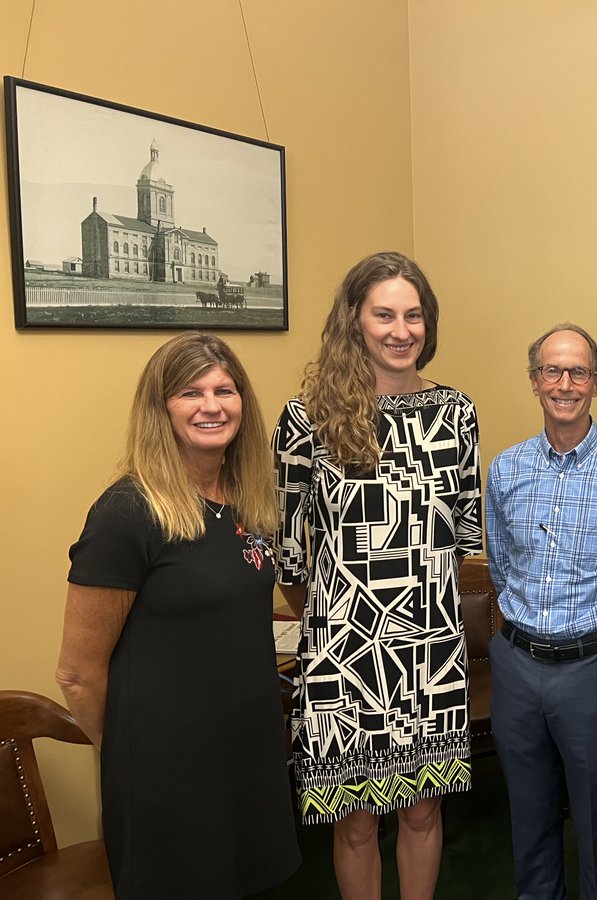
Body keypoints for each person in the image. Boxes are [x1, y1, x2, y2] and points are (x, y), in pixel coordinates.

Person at [56, 331, 300, 898]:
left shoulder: (249, 498)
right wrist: (134, 758)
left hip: (247, 755)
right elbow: (76, 673)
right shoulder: (128, 512)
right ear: (159, 408)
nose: (211, 406)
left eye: (225, 390)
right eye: (190, 392)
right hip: (167, 775)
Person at [273, 251, 481, 900]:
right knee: (356, 822)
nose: (400, 330)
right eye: (384, 314)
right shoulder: (306, 419)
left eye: (413, 315)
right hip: (344, 656)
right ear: (354, 321)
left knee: (423, 810)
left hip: (429, 650)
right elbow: (289, 558)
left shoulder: (457, 416)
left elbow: (465, 541)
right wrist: (341, 616)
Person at [485, 323, 597, 900]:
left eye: (578, 372)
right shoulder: (505, 470)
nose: (565, 384)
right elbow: (501, 563)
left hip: (594, 669)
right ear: (535, 381)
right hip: (517, 664)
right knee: (529, 810)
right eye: (552, 371)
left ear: (596, 382)